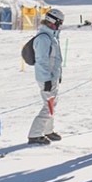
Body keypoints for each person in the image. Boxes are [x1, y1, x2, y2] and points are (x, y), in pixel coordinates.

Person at [28, 8, 65, 145]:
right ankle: (35, 134)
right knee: (48, 104)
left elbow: (54, 59)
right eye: (60, 22)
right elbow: (41, 61)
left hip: (52, 76)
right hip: (46, 78)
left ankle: (48, 130)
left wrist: (57, 75)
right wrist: (47, 79)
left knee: (52, 104)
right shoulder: (44, 38)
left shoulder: (51, 36)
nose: (60, 25)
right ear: (53, 21)